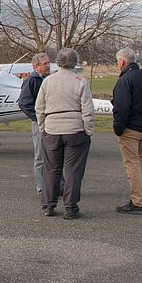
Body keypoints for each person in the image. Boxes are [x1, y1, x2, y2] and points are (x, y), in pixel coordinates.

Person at [35, 48, 94, 220]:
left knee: (51, 169)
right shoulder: (80, 81)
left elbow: (39, 107)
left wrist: (43, 127)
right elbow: (87, 109)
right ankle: (70, 206)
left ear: (58, 62)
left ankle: (48, 205)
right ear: (74, 62)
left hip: (52, 130)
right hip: (75, 130)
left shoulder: (48, 81)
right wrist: (88, 130)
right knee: (73, 171)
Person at [111, 48, 142, 215]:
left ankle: (136, 201)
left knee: (132, 164)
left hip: (130, 128)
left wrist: (118, 128)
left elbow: (121, 107)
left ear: (122, 62)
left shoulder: (125, 80)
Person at [17, 52, 52, 195]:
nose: (48, 65)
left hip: (51, 122)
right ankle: (41, 188)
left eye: (49, 63)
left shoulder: (48, 79)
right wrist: (38, 117)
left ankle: (57, 186)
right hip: (39, 122)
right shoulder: (31, 80)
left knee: (54, 154)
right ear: (36, 66)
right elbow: (23, 103)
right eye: (45, 64)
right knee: (40, 156)